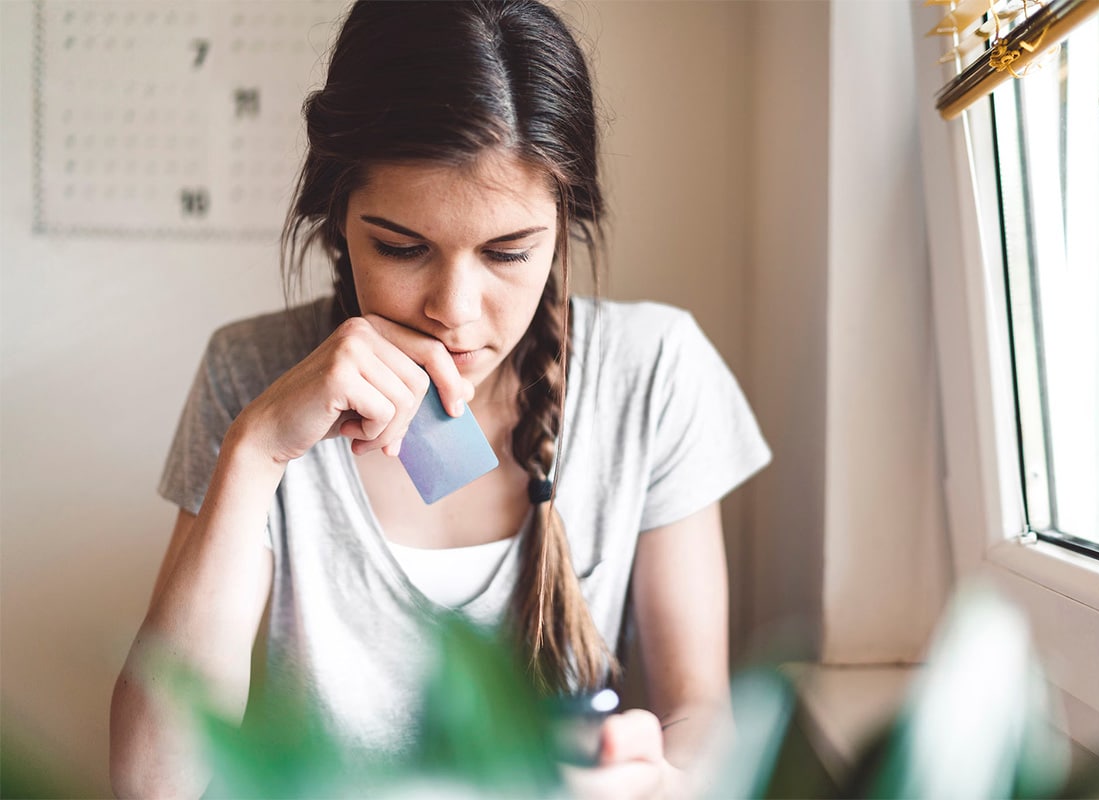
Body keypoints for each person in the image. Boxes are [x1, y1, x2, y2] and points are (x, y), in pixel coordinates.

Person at [109, 1, 770, 797]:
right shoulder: (248, 372)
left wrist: (657, 775)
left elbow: (699, 718)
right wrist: (256, 452)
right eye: (401, 246)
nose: (453, 311)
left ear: (563, 224)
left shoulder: (654, 372)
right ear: (338, 217)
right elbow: (149, 782)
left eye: (508, 252)